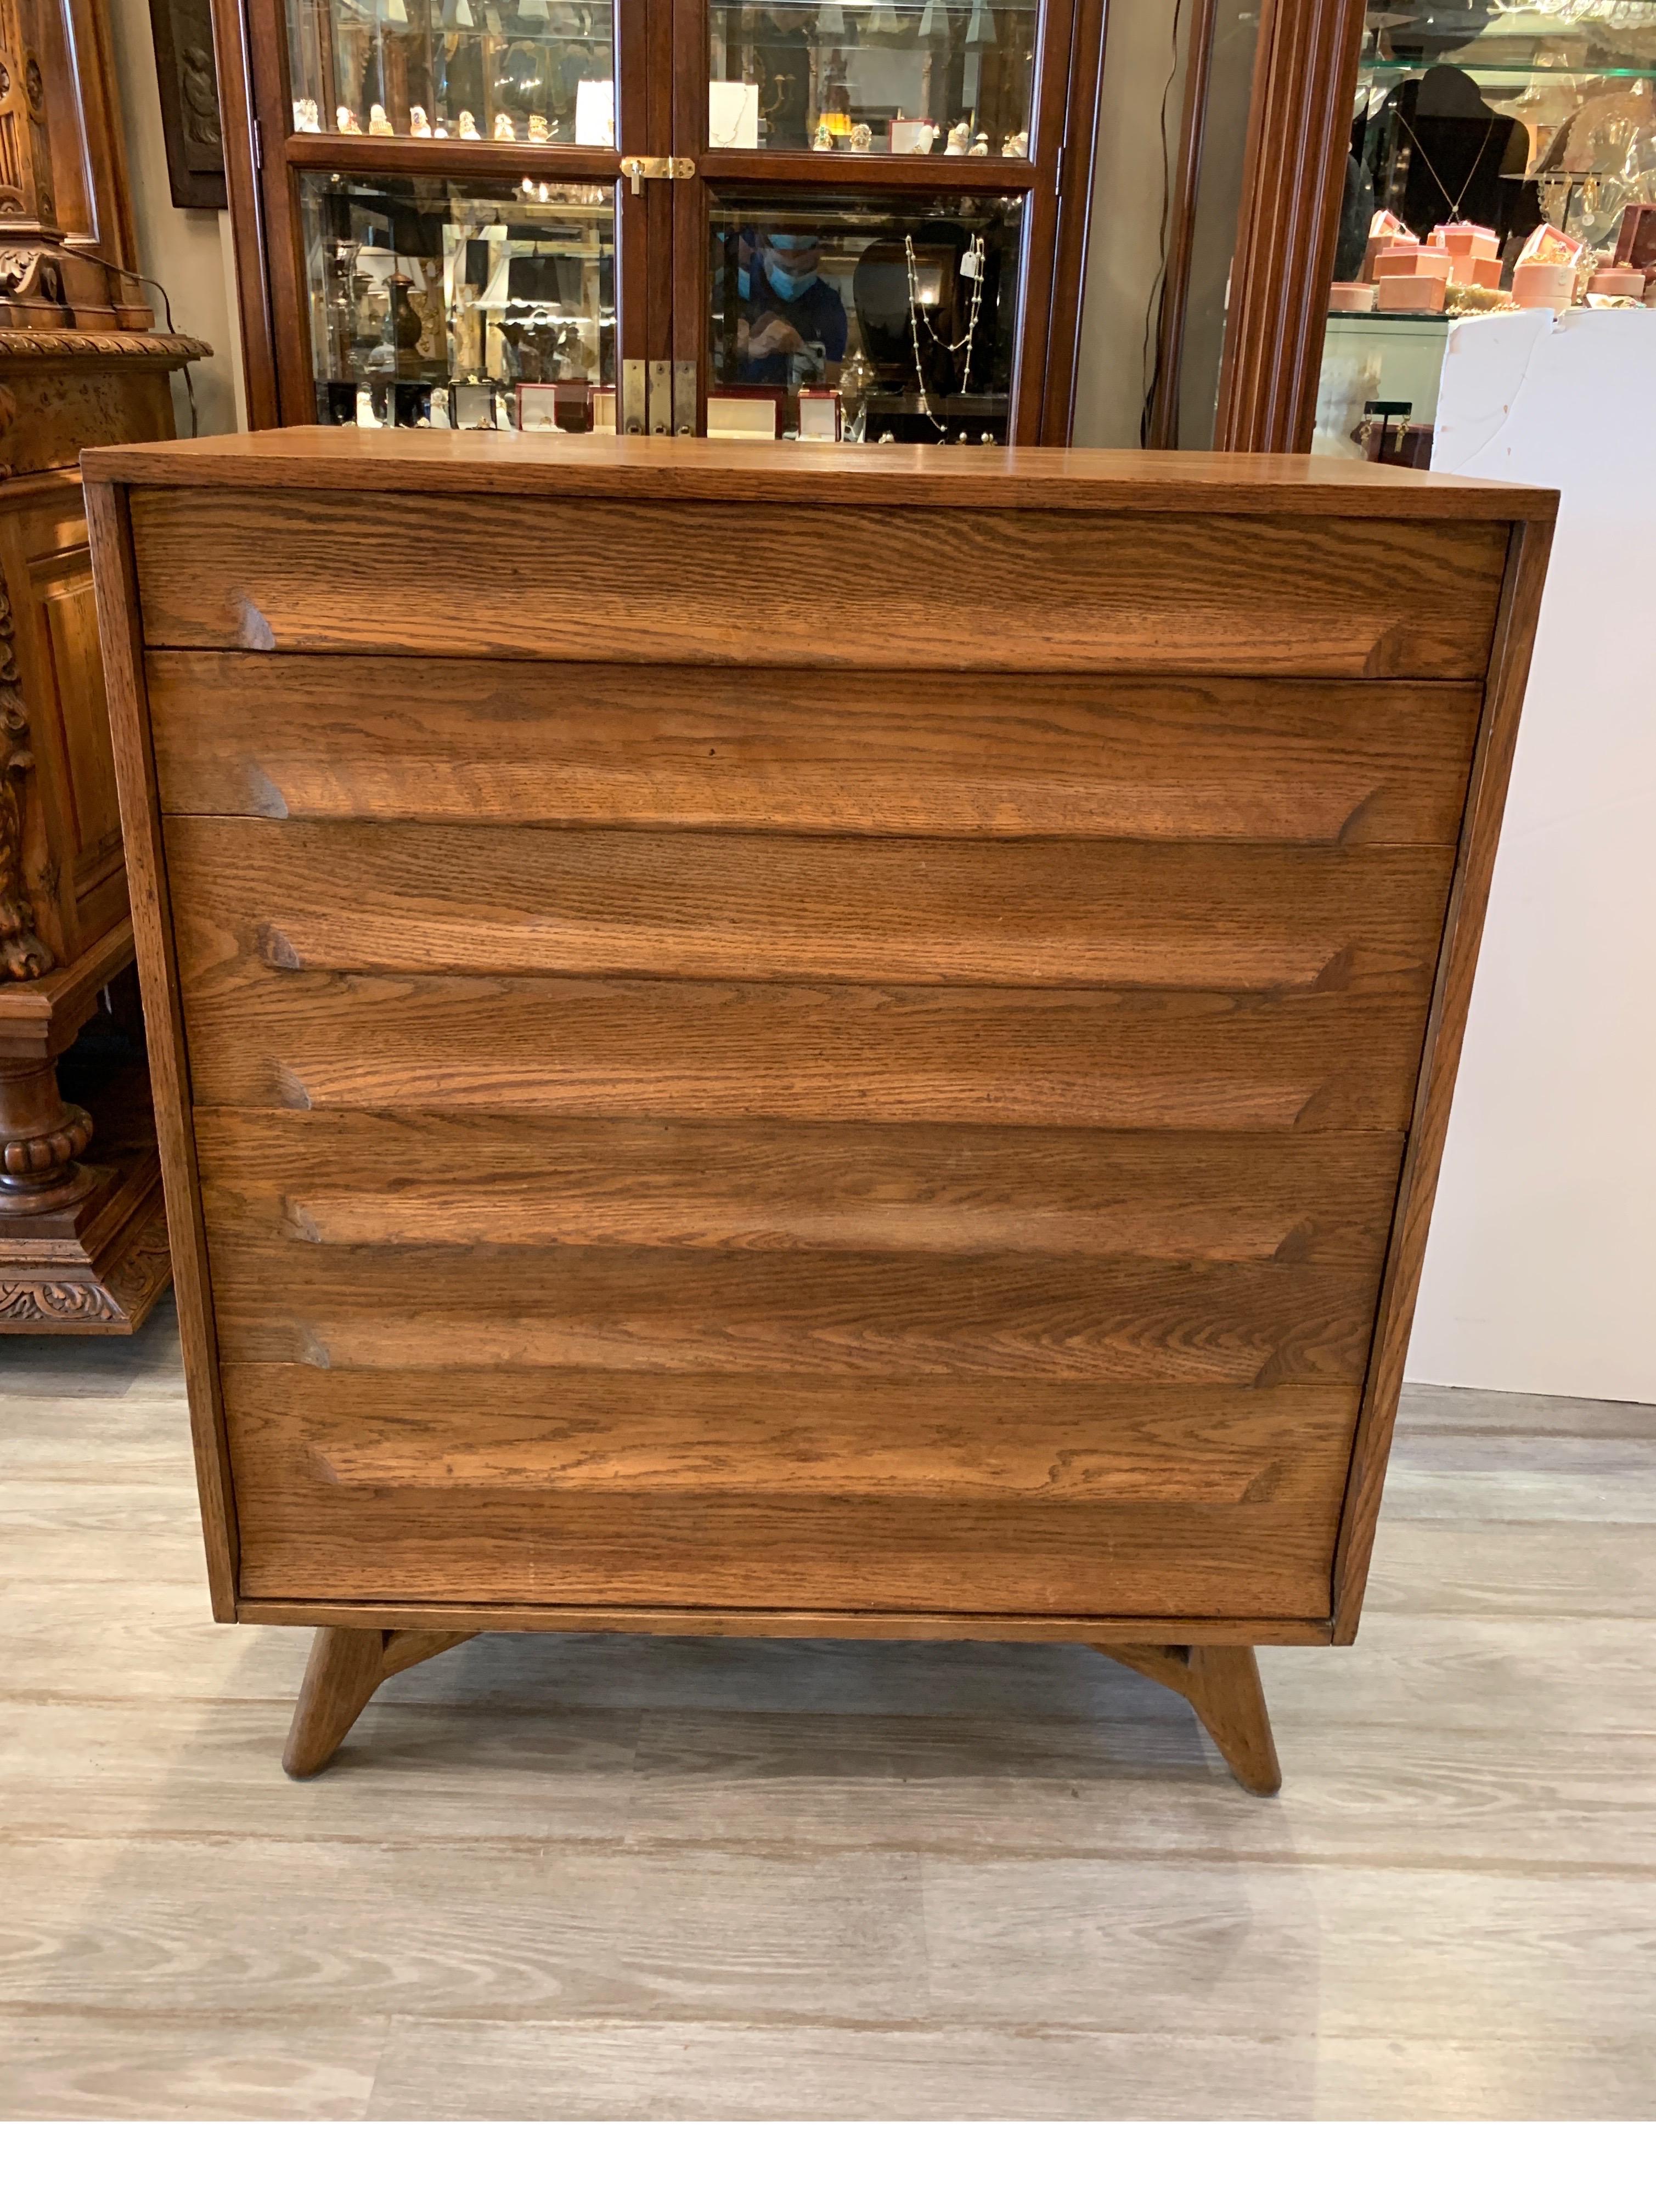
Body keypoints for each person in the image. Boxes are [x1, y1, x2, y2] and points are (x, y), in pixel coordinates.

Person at [735, 231, 847, 385]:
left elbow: (832, 380)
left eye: (804, 269)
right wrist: (751, 345)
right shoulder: (742, 286)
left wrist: (806, 352)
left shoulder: (827, 302)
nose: (793, 278)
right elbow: (711, 349)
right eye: (785, 268)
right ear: (764, 252)